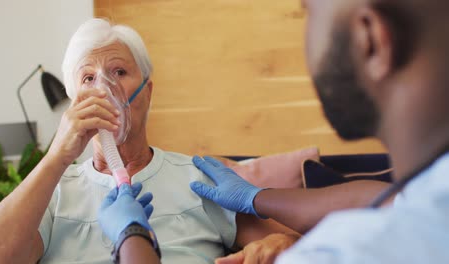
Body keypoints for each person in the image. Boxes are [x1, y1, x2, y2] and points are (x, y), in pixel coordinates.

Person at [0, 18, 298, 263]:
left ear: (147, 91)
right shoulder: (54, 191)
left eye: (118, 71)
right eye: (88, 78)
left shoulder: (199, 178)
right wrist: (55, 159)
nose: (104, 89)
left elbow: (299, 243)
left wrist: (281, 244)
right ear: (74, 99)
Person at [190, 0, 449, 263]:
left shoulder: (340, 255)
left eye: (308, 13)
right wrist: (257, 197)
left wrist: (144, 236)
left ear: (369, 39)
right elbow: (385, 199)